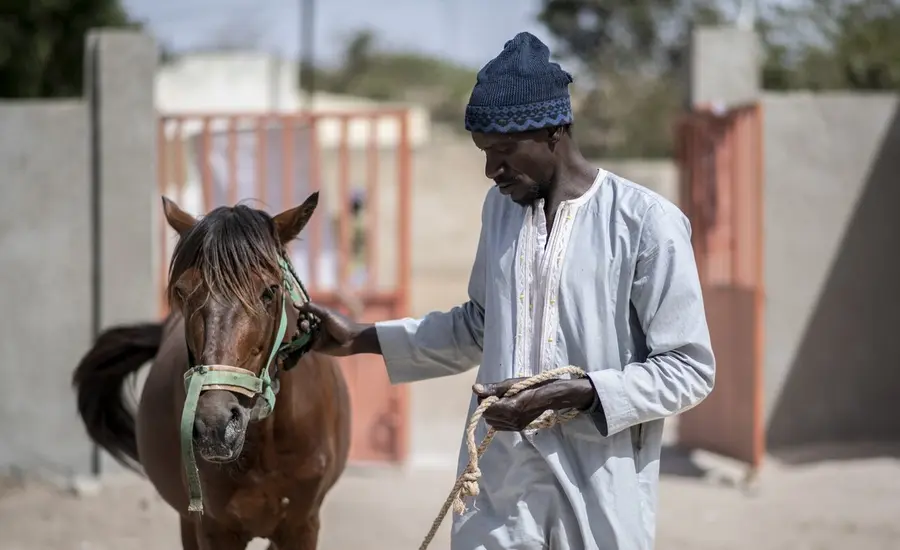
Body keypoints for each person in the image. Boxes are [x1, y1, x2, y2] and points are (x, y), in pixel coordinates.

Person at [299, 31, 715, 550]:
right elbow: (479, 326)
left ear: (555, 131)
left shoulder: (645, 223)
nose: (492, 170)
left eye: (503, 150)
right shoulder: (501, 210)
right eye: (484, 151)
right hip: (498, 494)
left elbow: (689, 370)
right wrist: (359, 337)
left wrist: (578, 392)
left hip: (598, 492)